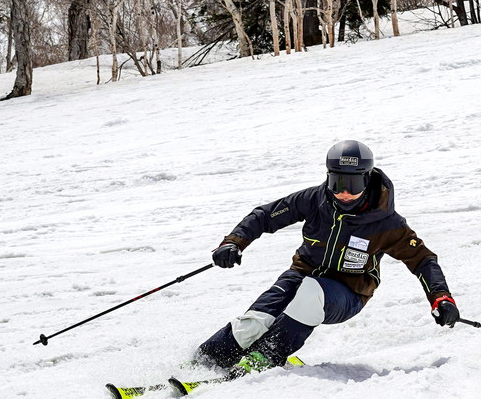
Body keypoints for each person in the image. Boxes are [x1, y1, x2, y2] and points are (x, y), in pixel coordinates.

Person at [195, 140, 458, 376]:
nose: (344, 193)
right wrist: (233, 243)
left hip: (348, 292)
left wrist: (441, 297)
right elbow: (266, 215)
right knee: (255, 320)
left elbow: (423, 260)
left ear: (367, 181)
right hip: (301, 274)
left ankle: (264, 357)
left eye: (353, 185)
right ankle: (204, 361)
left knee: (310, 294)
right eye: (337, 183)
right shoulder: (315, 199)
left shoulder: (387, 223)